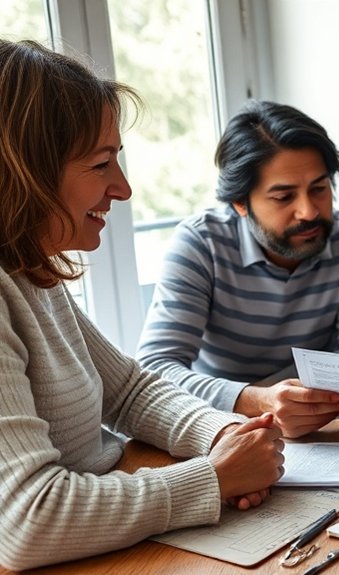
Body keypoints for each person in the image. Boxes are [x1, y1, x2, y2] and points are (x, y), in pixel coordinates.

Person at [0, 40, 284, 571]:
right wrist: (215, 478)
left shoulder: (28, 267)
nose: (124, 189)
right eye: (101, 164)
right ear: (26, 170)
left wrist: (223, 435)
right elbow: (27, 519)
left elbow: (128, 389)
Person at [137, 101, 339, 438]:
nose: (309, 212)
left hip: (318, 422)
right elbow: (155, 369)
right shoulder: (200, 244)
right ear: (240, 203)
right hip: (226, 423)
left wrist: (306, 395)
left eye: (319, 188)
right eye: (284, 197)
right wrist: (258, 399)